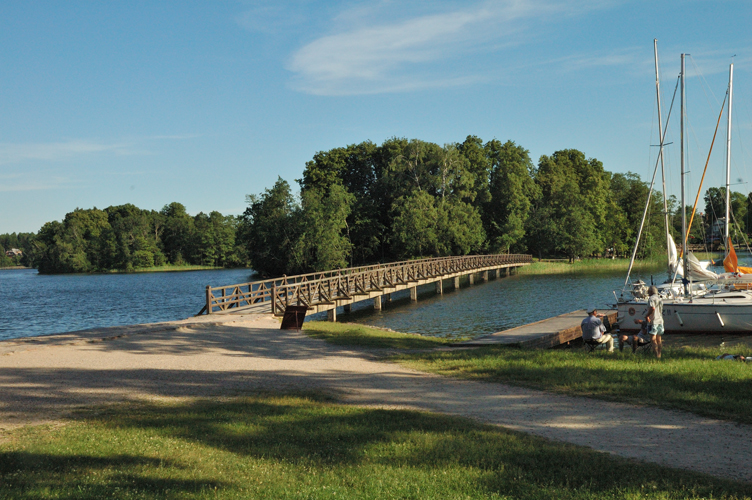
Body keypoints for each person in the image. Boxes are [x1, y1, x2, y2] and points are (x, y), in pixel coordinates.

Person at [627, 286, 664, 358]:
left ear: (651, 292)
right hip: (660, 321)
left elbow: (652, 308)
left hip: (653, 322)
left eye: (648, 291)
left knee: (653, 340)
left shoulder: (651, 299)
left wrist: (647, 316)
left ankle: (656, 356)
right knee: (659, 340)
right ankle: (659, 355)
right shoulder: (660, 298)